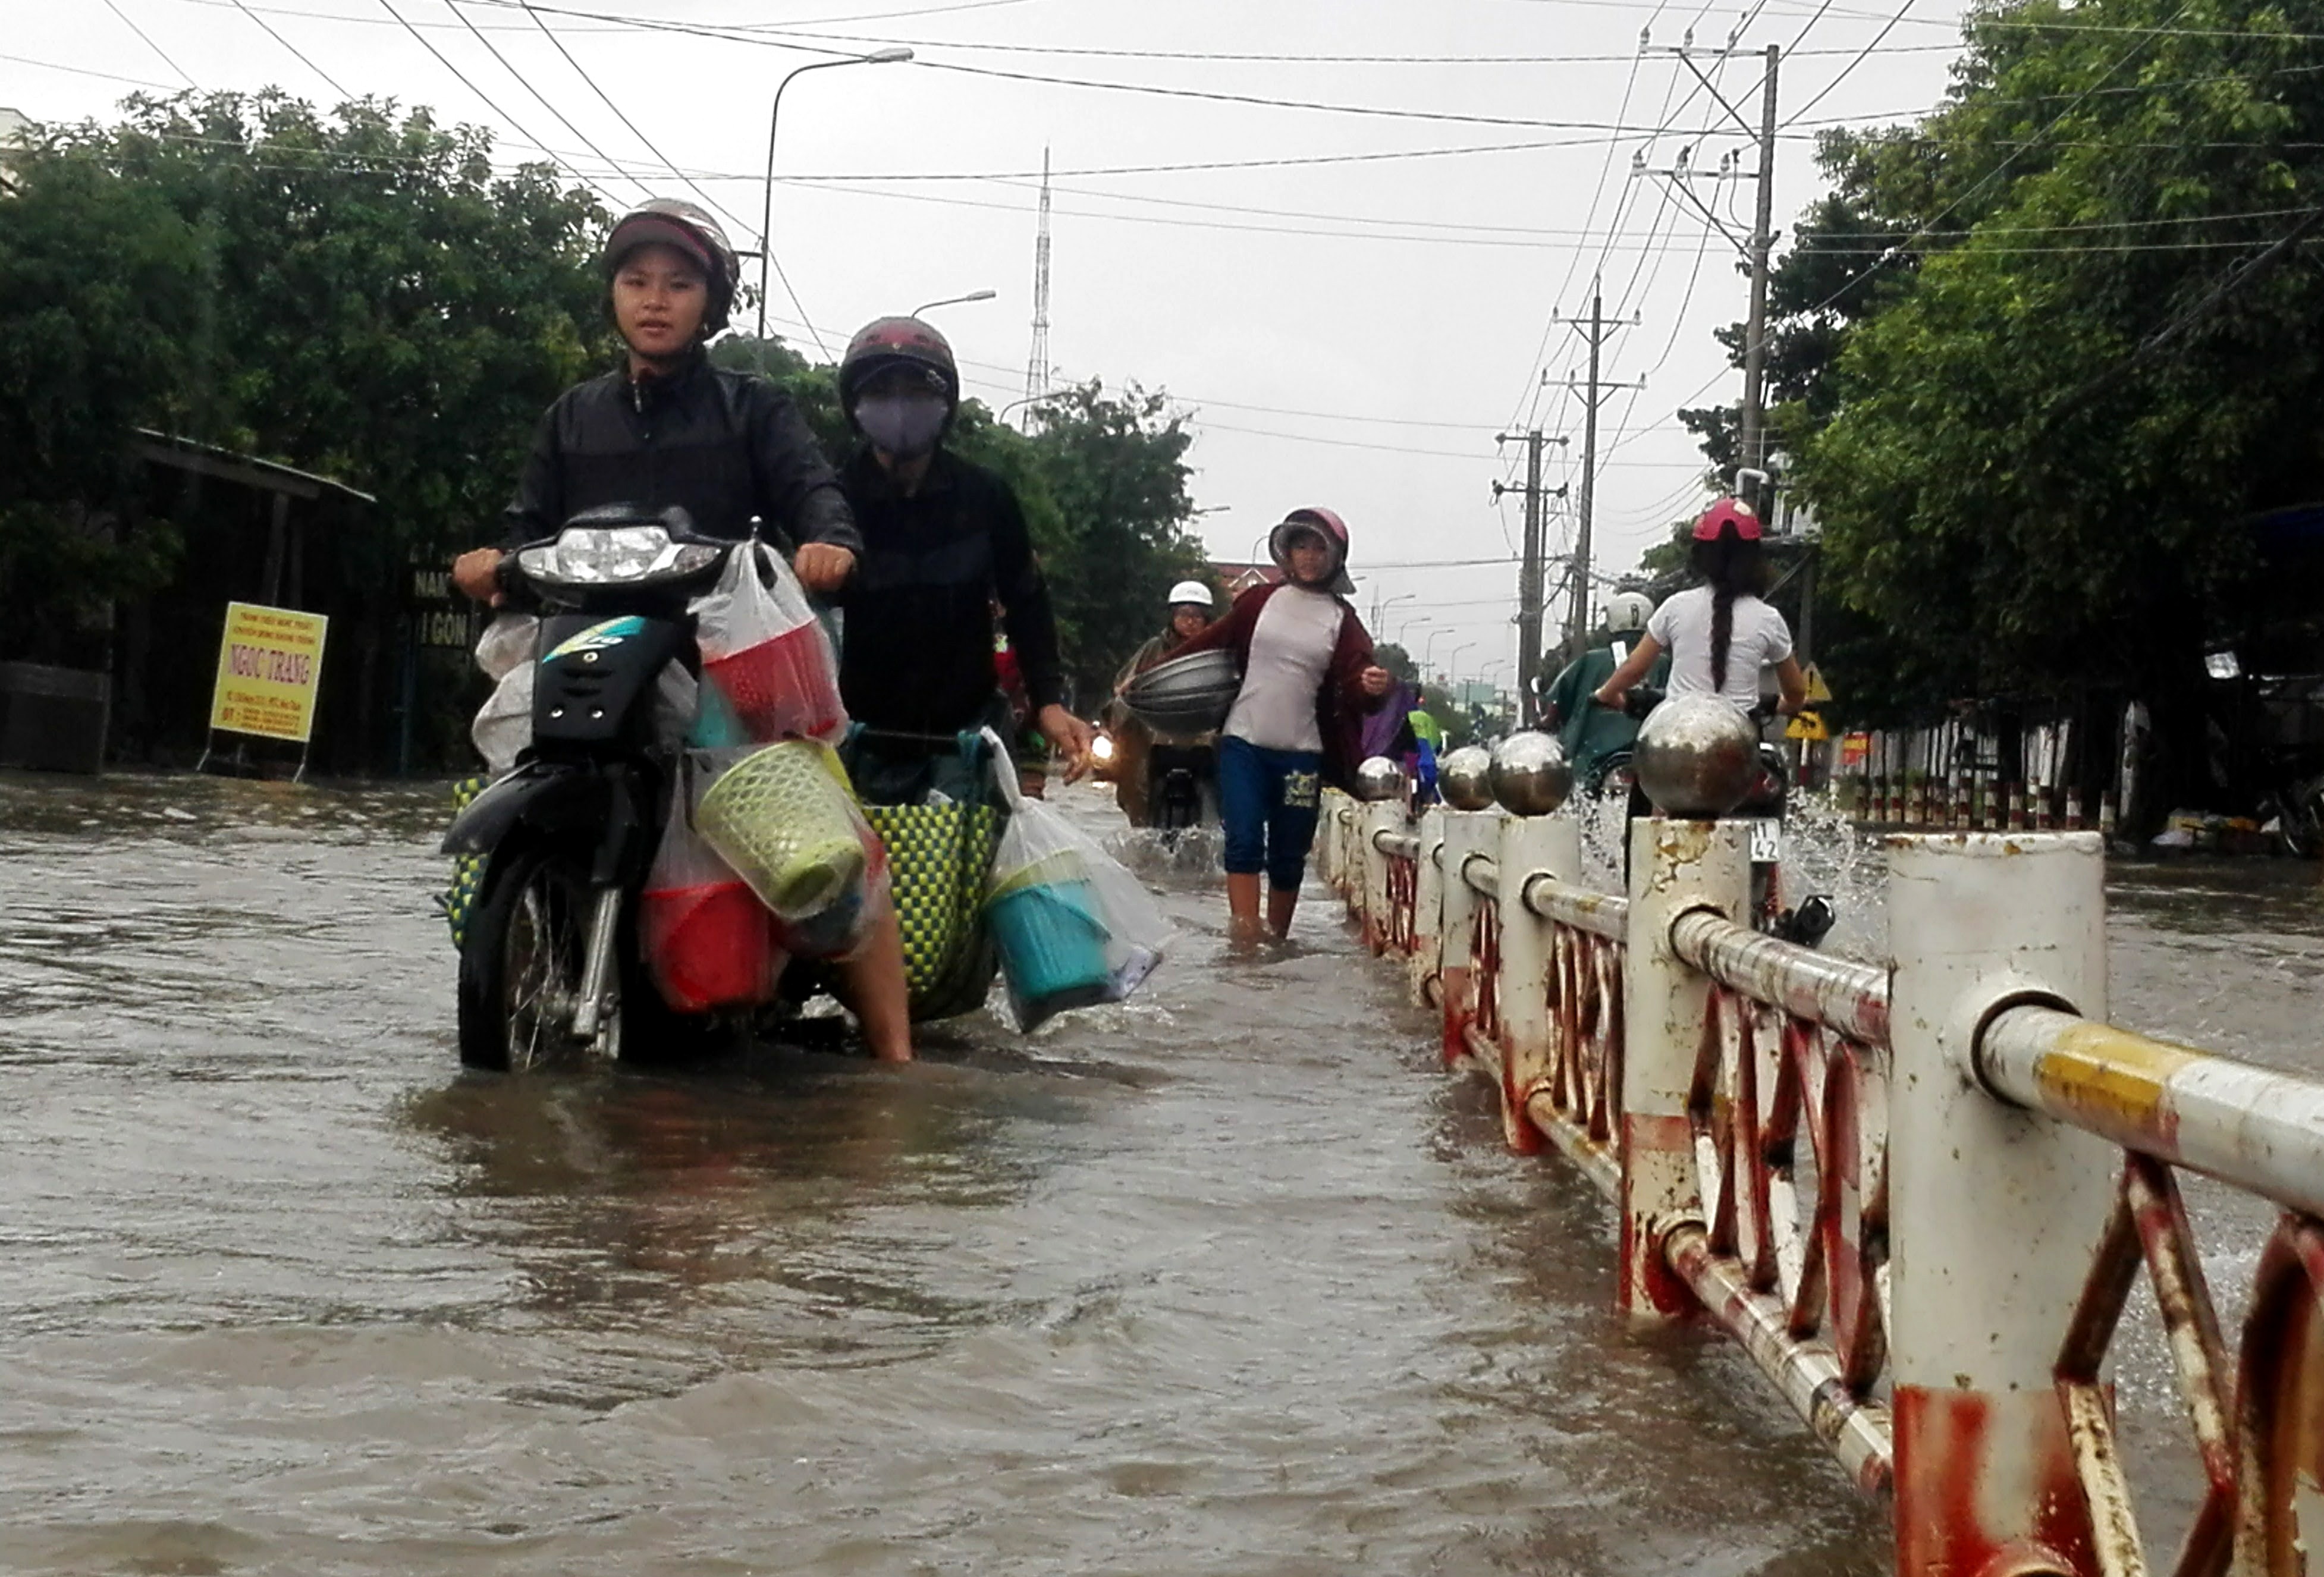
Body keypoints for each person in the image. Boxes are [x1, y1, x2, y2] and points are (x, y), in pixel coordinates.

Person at [448, 200, 918, 1061]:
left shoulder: (754, 408)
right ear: (613, 298)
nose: (654, 300)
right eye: (635, 281)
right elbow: (527, 528)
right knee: (518, 780)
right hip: (586, 646)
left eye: (678, 283)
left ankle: (897, 1062)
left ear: (713, 304)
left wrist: (830, 545)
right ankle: (527, 971)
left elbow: (815, 495)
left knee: (828, 848)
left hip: (717, 658)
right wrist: (492, 560)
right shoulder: (572, 416)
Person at [827, 315, 1094, 803]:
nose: (901, 405)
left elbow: (1028, 602)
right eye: (883, 391)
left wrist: (1050, 703)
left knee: (971, 871)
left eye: (917, 390)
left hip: (965, 736)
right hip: (853, 735)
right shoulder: (828, 500)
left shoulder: (986, 497)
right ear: (855, 406)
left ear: (946, 403)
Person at [1173, 509, 1393, 942]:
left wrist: (1372, 686)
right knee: (1243, 842)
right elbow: (1208, 644)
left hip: (1302, 755)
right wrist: (1146, 678)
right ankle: (1245, 941)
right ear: (1287, 553)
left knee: (1289, 854)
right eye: (1302, 546)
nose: (1310, 557)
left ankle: (1276, 942)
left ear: (1335, 558)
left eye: (1319, 548)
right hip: (1243, 743)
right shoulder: (1257, 602)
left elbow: (1358, 680)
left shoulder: (1342, 621)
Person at [1593, 498, 1808, 719]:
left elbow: (1633, 669)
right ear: (1755, 557)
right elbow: (1796, 692)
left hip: (1676, 731)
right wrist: (1784, 706)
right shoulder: (1769, 619)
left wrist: (1606, 694)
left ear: (1700, 556)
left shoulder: (1675, 607)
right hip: (1740, 737)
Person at [1108, 580, 1217, 825]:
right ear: (1173, 616)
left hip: (1205, 731)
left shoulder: (1217, 646)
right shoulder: (1154, 648)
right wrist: (1128, 691)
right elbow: (1125, 684)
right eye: (1184, 614)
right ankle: (1139, 814)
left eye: (1197, 616)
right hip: (1157, 731)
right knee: (1128, 744)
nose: (1190, 621)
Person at [1543, 590, 1670, 790]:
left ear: (1611, 621)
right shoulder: (1665, 663)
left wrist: (1548, 723)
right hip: (1652, 754)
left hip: (1594, 755)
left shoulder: (1588, 661)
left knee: (1578, 792)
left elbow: (1558, 703)